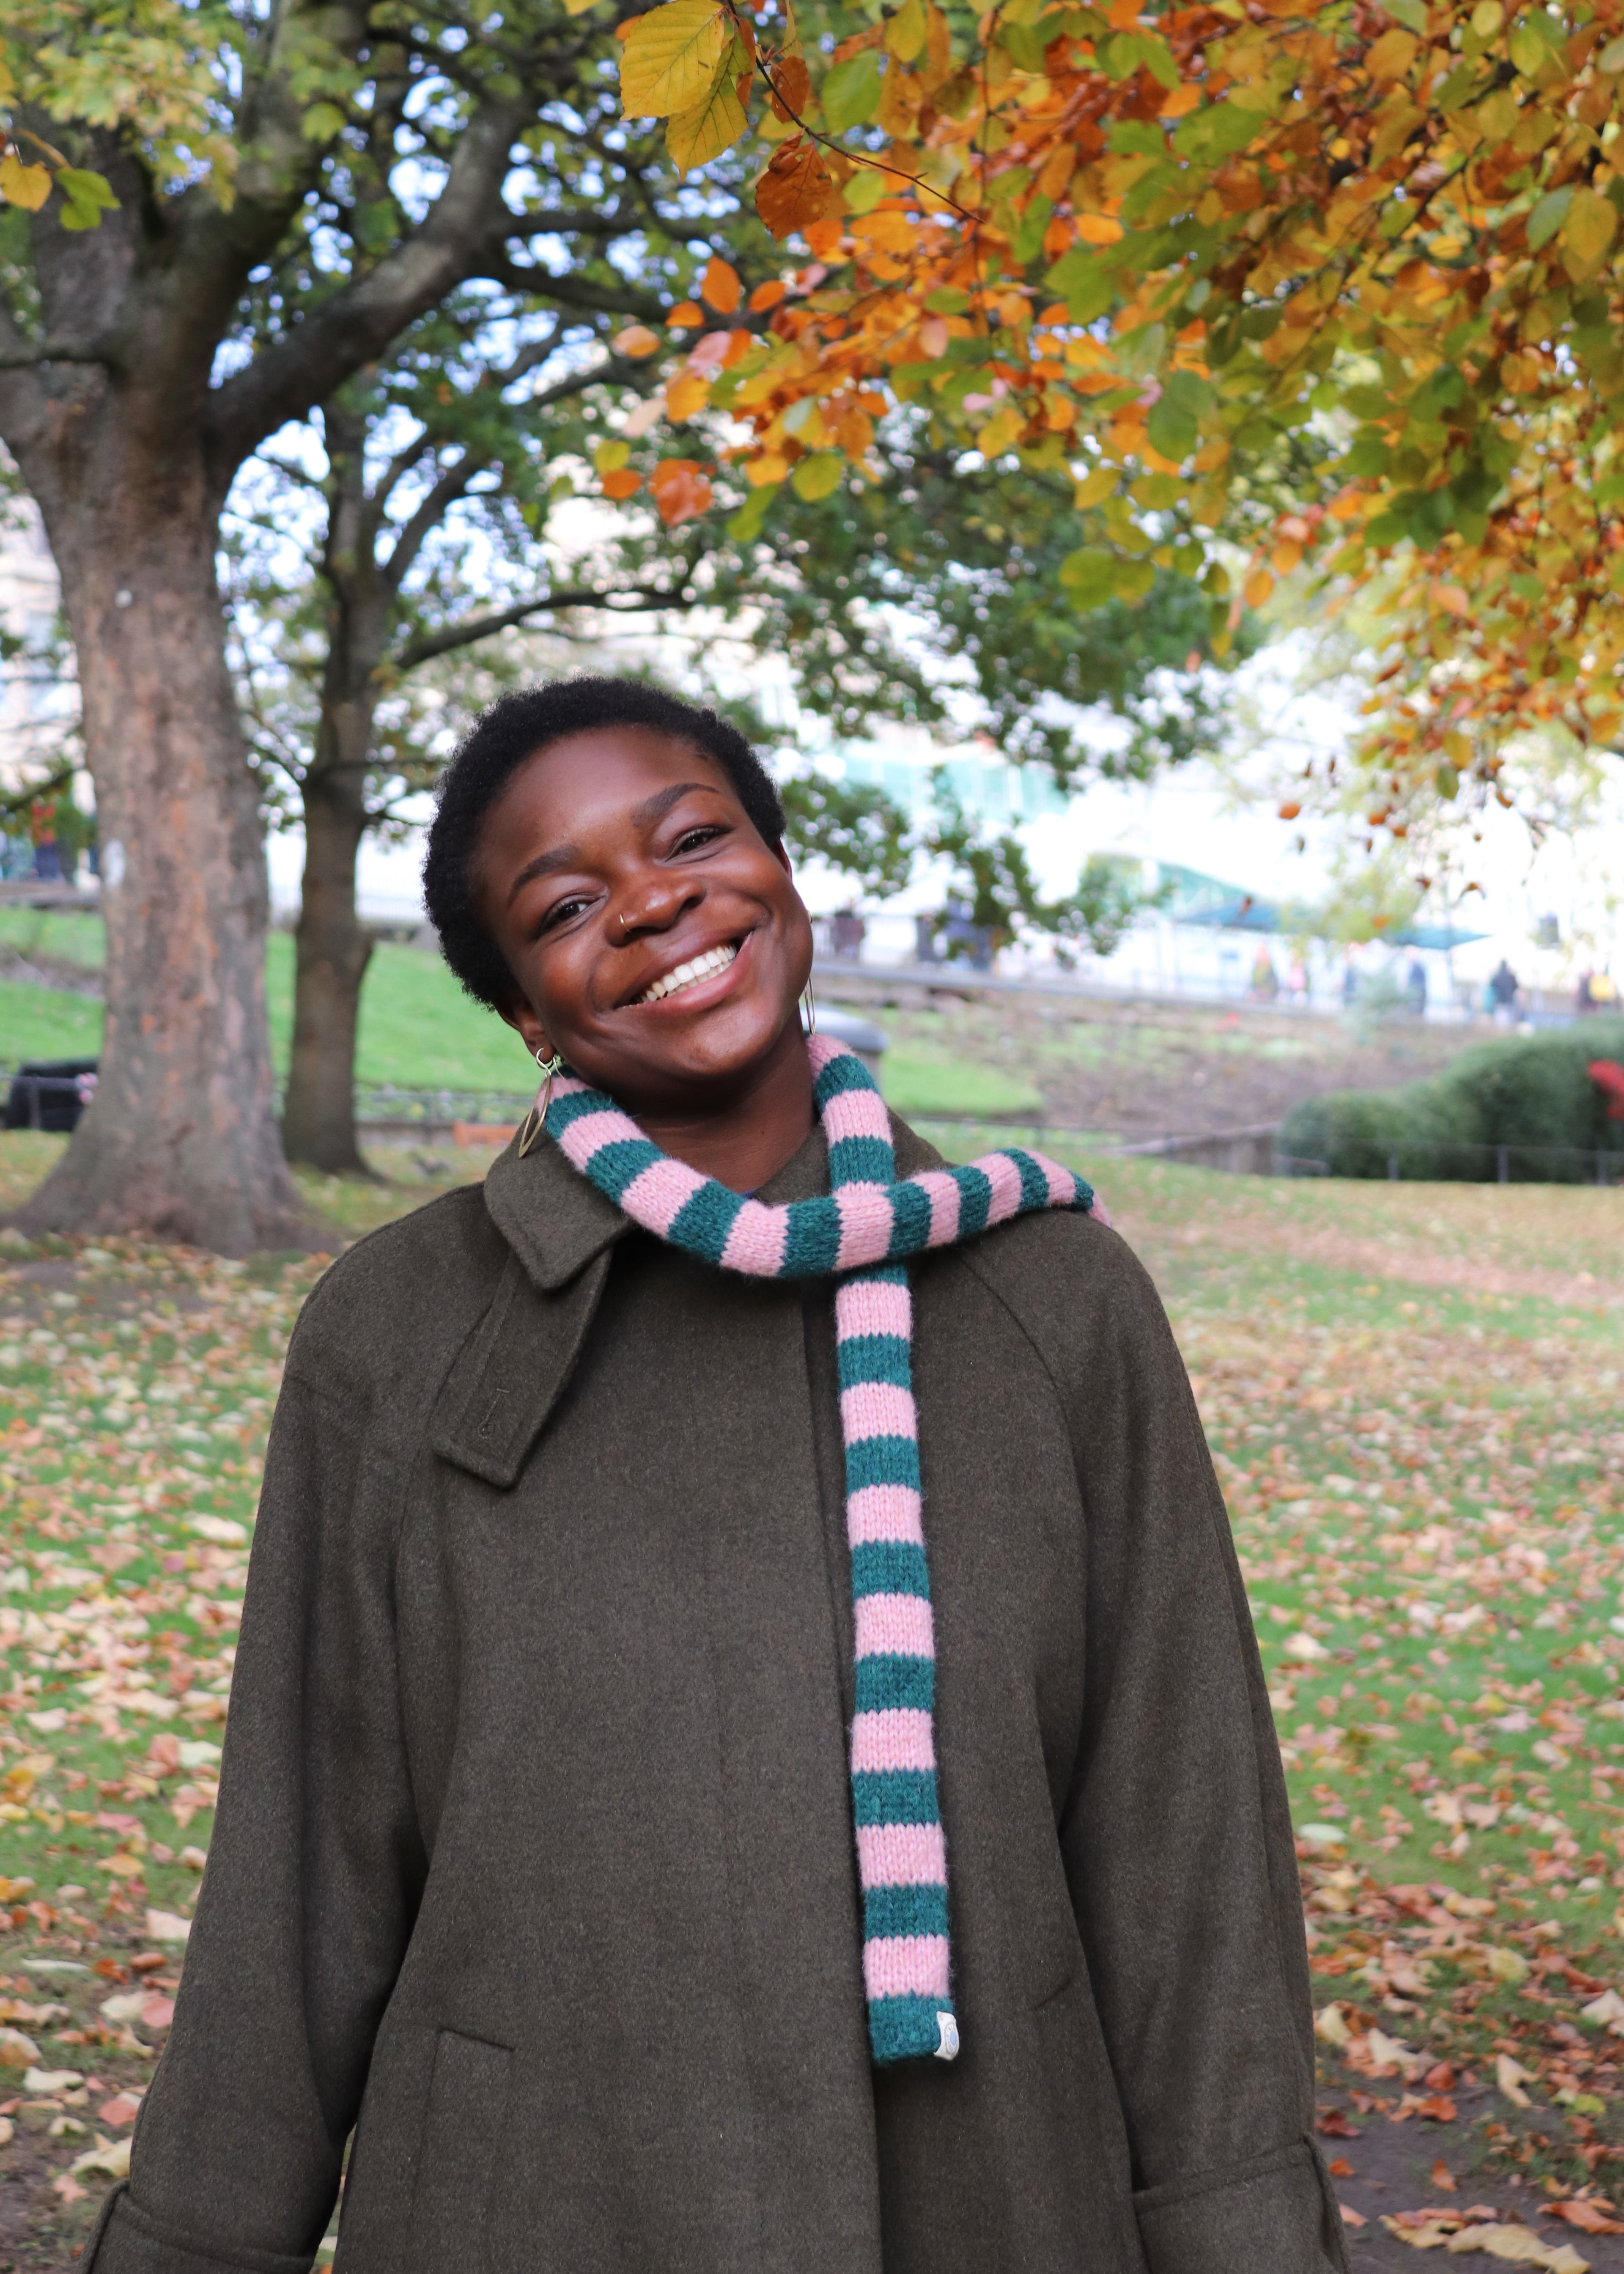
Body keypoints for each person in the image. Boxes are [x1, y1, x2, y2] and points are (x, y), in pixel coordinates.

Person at [85, 679, 1345, 2274]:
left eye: (694, 837)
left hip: (992, 2198)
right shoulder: (398, 1335)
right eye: (567, 903)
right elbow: (300, 1877)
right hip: (527, 2211)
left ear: (780, 866)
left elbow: (1185, 1841)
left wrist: (1243, 2240)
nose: (656, 901)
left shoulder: (1057, 1304)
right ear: (526, 1013)